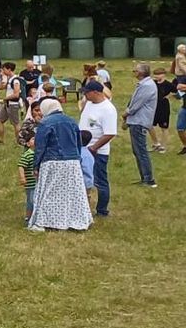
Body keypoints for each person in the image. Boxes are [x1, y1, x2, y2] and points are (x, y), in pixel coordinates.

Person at [28, 99, 92, 232]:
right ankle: (75, 219)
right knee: (72, 193)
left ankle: (44, 221)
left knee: (49, 192)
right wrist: (77, 158)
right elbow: (78, 143)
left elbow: (40, 146)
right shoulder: (72, 121)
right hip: (72, 161)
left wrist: (36, 165)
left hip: (52, 161)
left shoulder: (45, 123)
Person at [78, 78, 117, 218]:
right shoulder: (89, 103)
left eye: (87, 93)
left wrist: (94, 148)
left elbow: (110, 133)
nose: (85, 95)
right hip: (82, 148)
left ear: (96, 92)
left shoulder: (108, 109)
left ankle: (102, 209)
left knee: (100, 180)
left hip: (97, 151)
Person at [123, 63, 157, 187]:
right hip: (136, 121)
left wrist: (126, 113)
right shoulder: (144, 85)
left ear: (142, 72)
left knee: (141, 151)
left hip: (139, 121)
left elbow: (136, 104)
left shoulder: (147, 86)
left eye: (136, 71)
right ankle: (144, 178)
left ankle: (148, 179)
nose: (134, 72)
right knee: (137, 151)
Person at [16, 120, 39, 223]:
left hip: (37, 183)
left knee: (36, 200)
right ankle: (28, 218)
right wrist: (22, 177)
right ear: (28, 143)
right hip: (30, 184)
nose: (36, 140)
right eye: (33, 139)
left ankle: (35, 217)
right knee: (31, 201)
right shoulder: (28, 154)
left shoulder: (38, 154)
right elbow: (21, 165)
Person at [151, 68, 174, 152]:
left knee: (164, 127)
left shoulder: (168, 84)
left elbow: (177, 92)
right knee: (149, 125)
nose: (156, 76)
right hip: (153, 107)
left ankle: (163, 146)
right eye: (155, 75)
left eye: (158, 74)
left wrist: (169, 96)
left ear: (163, 75)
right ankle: (156, 143)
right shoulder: (152, 83)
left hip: (164, 107)